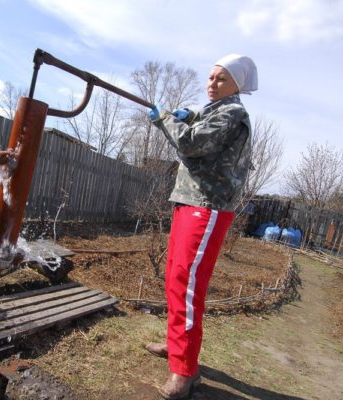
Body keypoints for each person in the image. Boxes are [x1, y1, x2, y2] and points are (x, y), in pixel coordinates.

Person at [146, 53, 258, 400]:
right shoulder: (216, 111)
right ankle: (176, 345)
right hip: (190, 202)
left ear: (237, 85)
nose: (212, 84)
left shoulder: (233, 113)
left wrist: (165, 118)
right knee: (174, 279)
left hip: (207, 207)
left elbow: (192, 143)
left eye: (221, 79)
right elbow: (199, 124)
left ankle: (184, 371)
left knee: (187, 286)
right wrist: (188, 115)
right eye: (210, 77)